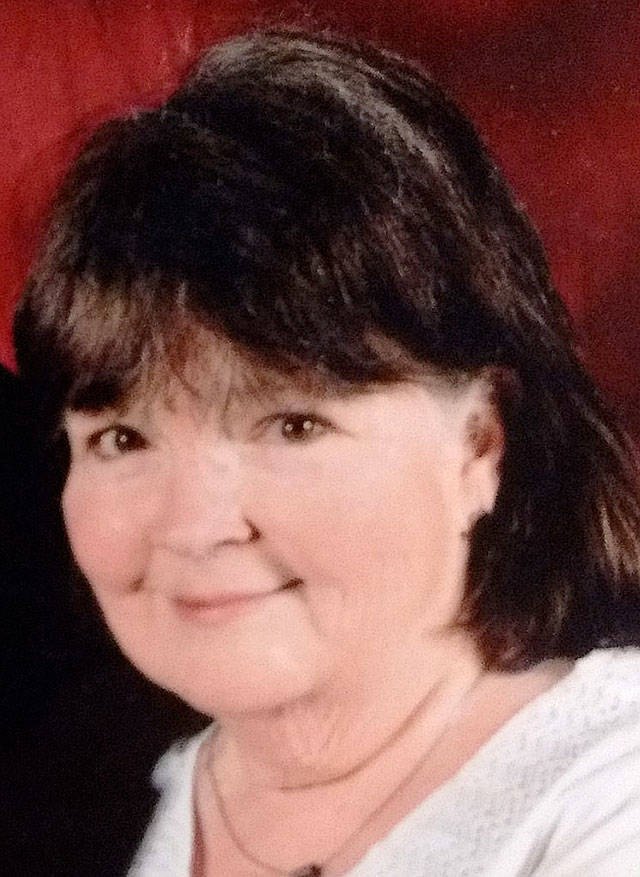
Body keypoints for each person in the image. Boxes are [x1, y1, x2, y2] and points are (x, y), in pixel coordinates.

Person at [14, 28, 640, 876]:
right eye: (122, 438)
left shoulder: (614, 788)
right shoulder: (86, 802)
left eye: (292, 425)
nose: (195, 527)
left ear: (479, 447)